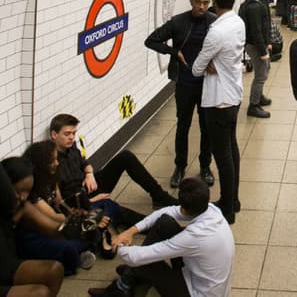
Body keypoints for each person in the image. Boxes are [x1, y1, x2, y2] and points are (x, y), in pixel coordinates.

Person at [88, 178, 235, 297]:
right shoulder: (212, 209)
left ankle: (122, 288)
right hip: (202, 277)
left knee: (147, 261)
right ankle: (133, 274)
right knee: (165, 222)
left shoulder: (194, 236)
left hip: (197, 293)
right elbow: (167, 211)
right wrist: (132, 230)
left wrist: (117, 241)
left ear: (184, 208)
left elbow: (135, 257)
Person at [145, 0, 217, 188]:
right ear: (191, 1)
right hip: (185, 84)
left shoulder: (214, 23)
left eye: (205, 3)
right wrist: (173, 51)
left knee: (206, 127)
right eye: (198, 2)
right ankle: (180, 167)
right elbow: (151, 40)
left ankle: (205, 166)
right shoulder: (178, 22)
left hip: (207, 85)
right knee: (182, 126)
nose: (202, 7)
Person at [191, 0, 245, 224]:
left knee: (222, 155)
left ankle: (227, 209)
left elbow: (196, 68)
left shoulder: (216, 31)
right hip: (234, 95)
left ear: (214, 1)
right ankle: (233, 199)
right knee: (232, 149)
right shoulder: (238, 22)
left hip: (217, 101)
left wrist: (208, 63)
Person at [49, 114, 177, 213]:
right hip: (79, 200)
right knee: (119, 212)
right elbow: (61, 201)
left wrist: (89, 174)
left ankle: (158, 195)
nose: (71, 137)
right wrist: (90, 201)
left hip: (89, 186)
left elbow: (84, 163)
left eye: (73, 133)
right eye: (67, 134)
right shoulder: (50, 161)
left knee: (125, 156)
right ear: (54, 135)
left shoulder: (71, 147)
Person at [17, 143, 102, 275]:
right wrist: (80, 220)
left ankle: (80, 251)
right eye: (52, 161)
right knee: (72, 245)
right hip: (39, 234)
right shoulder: (32, 193)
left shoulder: (51, 178)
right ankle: (73, 258)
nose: (57, 163)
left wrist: (75, 213)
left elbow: (60, 203)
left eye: (57, 159)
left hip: (54, 225)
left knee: (93, 229)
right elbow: (54, 218)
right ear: (41, 164)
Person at [0, 158, 64, 297]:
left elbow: (54, 228)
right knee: (39, 293)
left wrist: (79, 227)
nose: (23, 197)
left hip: (6, 266)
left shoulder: (23, 207)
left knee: (54, 269)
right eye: (18, 191)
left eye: (27, 192)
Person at [238, 0, 273, 119]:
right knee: (261, 74)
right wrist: (262, 51)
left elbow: (265, 25)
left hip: (259, 43)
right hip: (254, 45)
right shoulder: (255, 6)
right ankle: (253, 105)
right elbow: (256, 31)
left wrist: (268, 42)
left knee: (265, 69)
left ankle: (259, 96)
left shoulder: (255, 1)